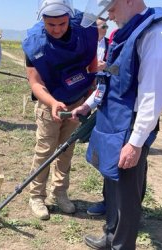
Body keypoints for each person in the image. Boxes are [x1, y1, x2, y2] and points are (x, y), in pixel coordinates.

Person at [73, 0, 162, 248]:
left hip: (130, 126)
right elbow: (108, 80)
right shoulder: (122, 33)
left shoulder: (156, 35)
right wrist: (89, 104)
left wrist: (136, 142)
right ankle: (110, 237)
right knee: (111, 184)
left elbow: (153, 93)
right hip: (111, 122)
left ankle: (122, 245)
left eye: (111, 6)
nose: (108, 13)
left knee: (127, 194)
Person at [22, 0, 98, 220]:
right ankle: (36, 196)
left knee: (66, 149)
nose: (56, 29)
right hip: (49, 105)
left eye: (62, 24)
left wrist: (90, 85)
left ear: (69, 18)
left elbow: (91, 59)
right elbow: (35, 83)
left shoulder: (84, 31)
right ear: (42, 20)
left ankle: (60, 192)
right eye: (51, 24)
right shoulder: (34, 44)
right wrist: (53, 103)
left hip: (77, 101)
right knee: (45, 150)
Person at [86, 18, 109, 217]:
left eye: (105, 26)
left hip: (105, 91)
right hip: (90, 87)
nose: (104, 28)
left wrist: (105, 67)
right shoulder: (86, 43)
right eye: (102, 25)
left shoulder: (112, 44)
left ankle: (119, 208)